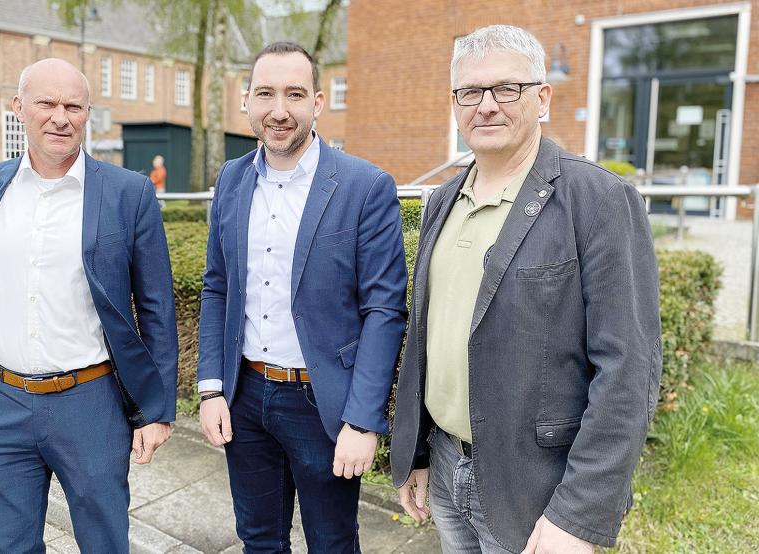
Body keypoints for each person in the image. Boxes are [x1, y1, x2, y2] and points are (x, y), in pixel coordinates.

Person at [390, 25, 661, 554]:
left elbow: (629, 370)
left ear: (543, 98)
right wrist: (417, 452)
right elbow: (428, 338)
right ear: (455, 102)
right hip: (447, 468)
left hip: (537, 488)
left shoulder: (598, 200)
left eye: (506, 89)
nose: (486, 105)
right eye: (471, 92)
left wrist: (579, 515)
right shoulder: (441, 202)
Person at [0, 58, 178, 553]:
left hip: (90, 405)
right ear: (19, 107)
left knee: (105, 543)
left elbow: (156, 309)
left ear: (87, 114)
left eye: (73, 106)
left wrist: (157, 410)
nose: (60, 117)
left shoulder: (129, 193)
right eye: (46, 103)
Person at [196, 41, 408, 552]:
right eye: (265, 94)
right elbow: (217, 285)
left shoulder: (365, 186)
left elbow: (384, 308)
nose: (279, 110)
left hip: (322, 405)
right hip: (244, 398)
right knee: (258, 540)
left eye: (294, 94)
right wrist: (210, 388)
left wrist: (362, 419)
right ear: (246, 100)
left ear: (317, 102)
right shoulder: (230, 180)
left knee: (332, 543)